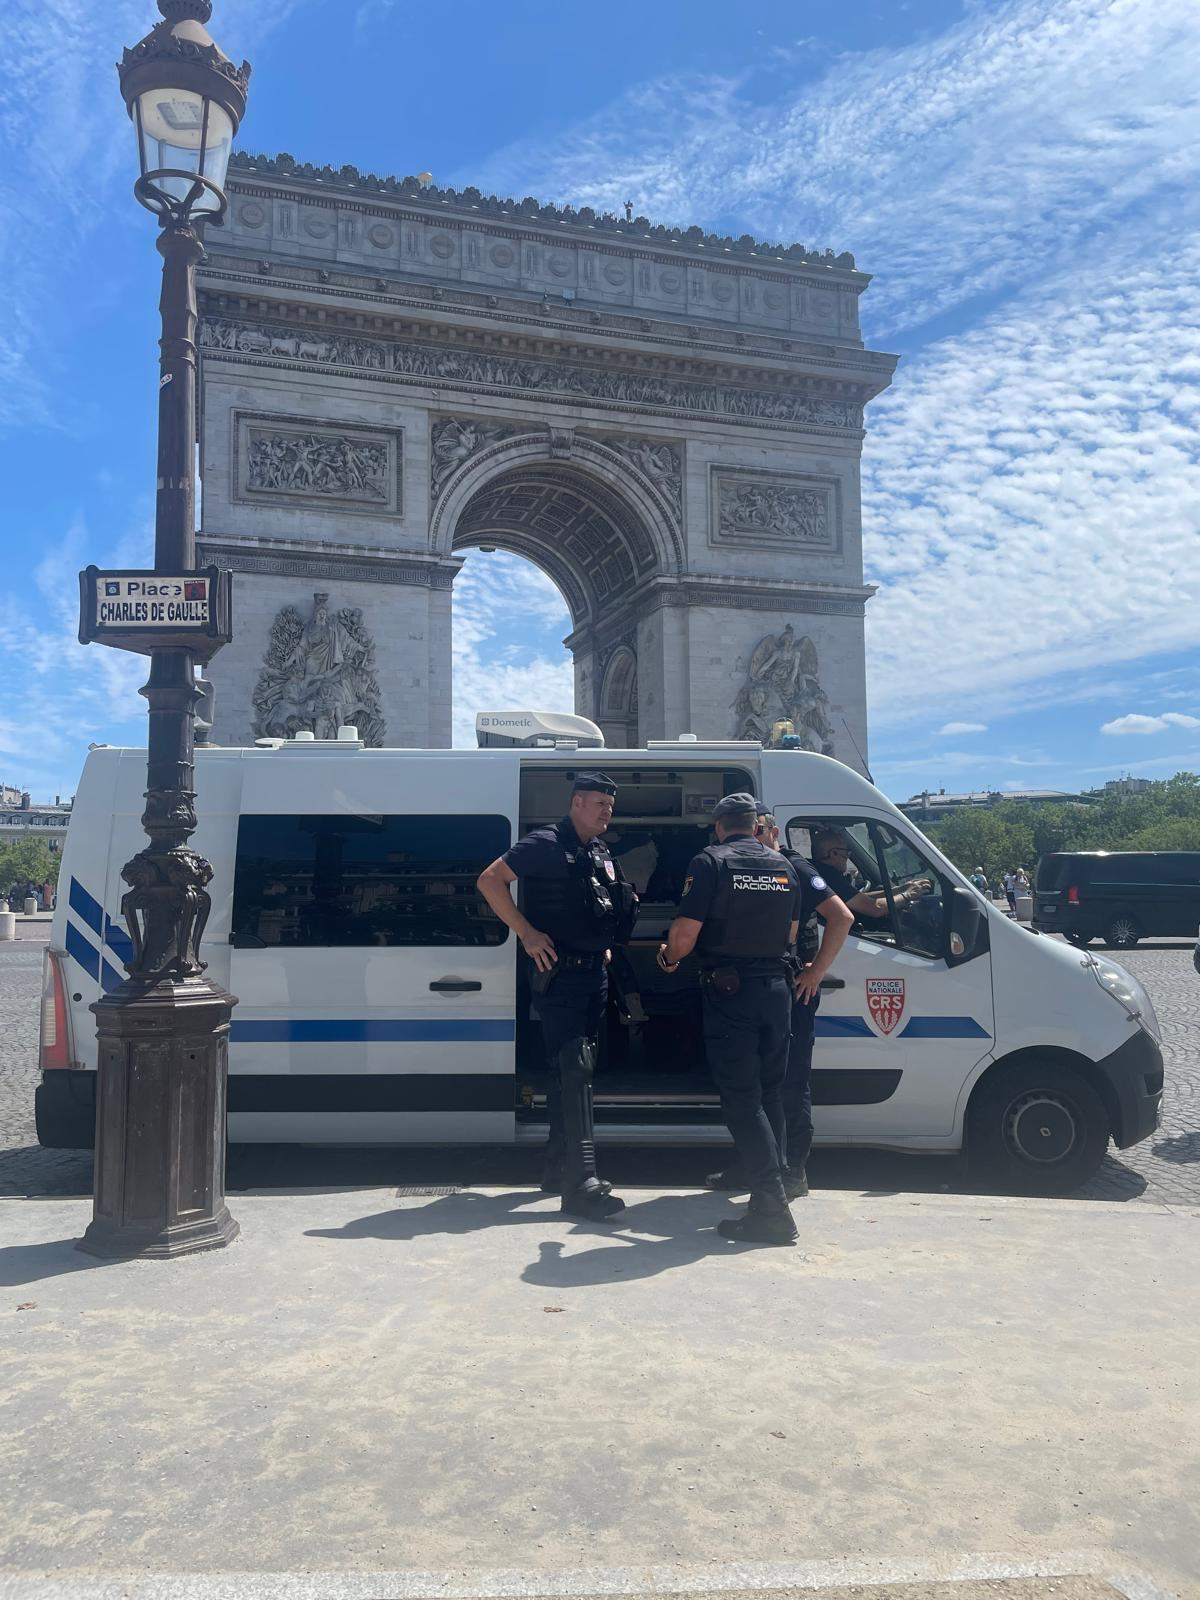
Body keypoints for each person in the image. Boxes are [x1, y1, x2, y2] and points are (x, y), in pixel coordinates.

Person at [476, 773, 637, 1221]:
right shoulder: (544, 843)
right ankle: (580, 1186)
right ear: (577, 802)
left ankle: (557, 1167)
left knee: (578, 1073)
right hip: (559, 975)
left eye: (610, 803)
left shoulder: (599, 850)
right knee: (572, 1070)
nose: (607, 810)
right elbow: (490, 880)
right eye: (599, 802)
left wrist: (602, 943)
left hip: (592, 975)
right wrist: (526, 933)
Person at [656, 793, 803, 1246]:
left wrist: (668, 957)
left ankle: (771, 1209)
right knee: (771, 1092)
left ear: (719, 825)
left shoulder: (710, 862)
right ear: (755, 824)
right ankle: (772, 1185)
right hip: (776, 990)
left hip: (731, 991)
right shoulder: (784, 867)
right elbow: (793, 934)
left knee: (741, 1098)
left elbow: (686, 932)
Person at [707, 808, 853, 1201]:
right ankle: (756, 1168)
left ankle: (792, 1171)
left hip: (794, 991)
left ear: (771, 830)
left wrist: (815, 972)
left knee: (790, 1082)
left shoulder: (794, 867)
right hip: (767, 989)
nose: (756, 836)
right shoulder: (752, 869)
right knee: (755, 1085)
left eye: (762, 829)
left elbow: (841, 917)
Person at [810, 828, 930, 922]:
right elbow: (874, 908)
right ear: (833, 853)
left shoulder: (819, 872)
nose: (847, 856)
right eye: (846, 851)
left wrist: (901, 889)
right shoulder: (829, 877)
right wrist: (908, 895)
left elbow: (860, 898)